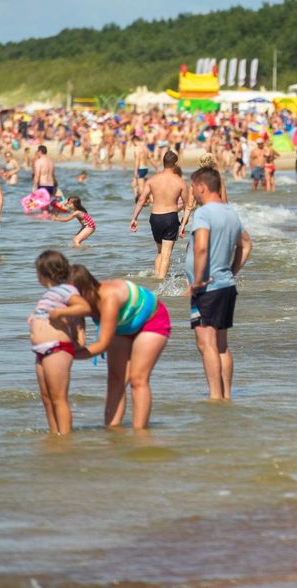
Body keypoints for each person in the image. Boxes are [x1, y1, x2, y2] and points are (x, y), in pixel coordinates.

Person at [56, 264, 171, 429]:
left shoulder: (109, 298)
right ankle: (112, 430)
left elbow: (102, 345)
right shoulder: (77, 301)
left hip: (151, 321)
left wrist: (71, 354)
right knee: (115, 379)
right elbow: (79, 336)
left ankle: (140, 433)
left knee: (138, 379)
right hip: (122, 327)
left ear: (85, 291)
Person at [186, 167, 251, 401]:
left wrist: (198, 279)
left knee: (206, 343)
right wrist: (231, 271)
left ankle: (215, 396)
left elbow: (201, 246)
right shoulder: (231, 212)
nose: (191, 191)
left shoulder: (204, 213)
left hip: (208, 287)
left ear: (202, 186)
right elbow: (246, 245)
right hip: (226, 285)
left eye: (192, 186)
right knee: (221, 344)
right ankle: (226, 395)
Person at [28, 250, 87, 434]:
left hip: (57, 348)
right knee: (46, 397)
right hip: (41, 350)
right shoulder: (49, 294)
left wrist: (59, 313)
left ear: (44, 273)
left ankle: (65, 439)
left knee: (58, 397)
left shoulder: (66, 290)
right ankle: (55, 435)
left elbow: (83, 307)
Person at [129, 150, 190, 280]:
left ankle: (156, 276)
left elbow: (141, 200)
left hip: (155, 218)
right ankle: (161, 282)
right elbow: (187, 205)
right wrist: (184, 223)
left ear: (163, 163)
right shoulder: (180, 182)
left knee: (160, 251)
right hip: (170, 218)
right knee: (166, 254)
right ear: (176, 164)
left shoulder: (152, 180)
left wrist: (134, 218)